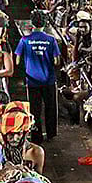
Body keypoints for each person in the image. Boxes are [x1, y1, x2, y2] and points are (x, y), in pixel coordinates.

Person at [16, 11, 60, 143]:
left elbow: (17, 60)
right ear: (45, 23)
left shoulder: (24, 40)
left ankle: (36, 136)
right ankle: (51, 134)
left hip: (32, 81)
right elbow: (56, 61)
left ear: (32, 23)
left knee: (34, 109)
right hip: (49, 80)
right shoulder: (51, 40)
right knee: (50, 107)